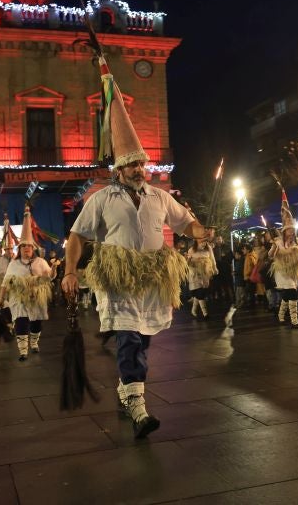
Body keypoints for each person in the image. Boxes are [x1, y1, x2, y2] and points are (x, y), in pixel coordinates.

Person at [62, 65, 211, 439]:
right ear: (118, 168)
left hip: (152, 278)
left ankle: (127, 389)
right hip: (117, 278)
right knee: (128, 338)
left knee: (142, 339)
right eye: (130, 163)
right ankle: (139, 408)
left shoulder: (160, 196)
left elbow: (185, 223)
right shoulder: (101, 199)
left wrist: (200, 231)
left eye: (141, 163)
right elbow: (77, 236)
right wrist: (69, 270)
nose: (138, 168)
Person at [0, 205, 54, 361]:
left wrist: (54, 267)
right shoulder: (13, 265)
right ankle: (23, 351)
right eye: (23, 247)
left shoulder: (41, 262)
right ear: (20, 249)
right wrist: (2, 298)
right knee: (21, 323)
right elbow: (5, 282)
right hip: (19, 299)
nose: (26, 249)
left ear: (33, 248)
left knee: (36, 324)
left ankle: (34, 343)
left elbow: (50, 277)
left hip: (37, 298)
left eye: (29, 246)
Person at [268, 224, 298, 327]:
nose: (291, 232)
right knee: (292, 293)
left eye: (293, 230)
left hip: (294, 271)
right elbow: (270, 255)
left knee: (287, 295)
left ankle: (280, 316)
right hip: (283, 271)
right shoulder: (278, 241)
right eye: (289, 230)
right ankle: (294, 321)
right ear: (284, 232)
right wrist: (274, 246)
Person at [186, 238, 217, 319]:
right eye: (202, 241)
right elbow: (187, 262)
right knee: (200, 292)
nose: (204, 243)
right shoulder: (192, 249)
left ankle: (193, 310)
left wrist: (214, 268)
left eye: (206, 241)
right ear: (197, 241)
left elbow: (212, 259)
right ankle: (205, 313)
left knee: (201, 292)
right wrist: (188, 260)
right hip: (195, 273)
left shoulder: (209, 248)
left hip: (205, 272)